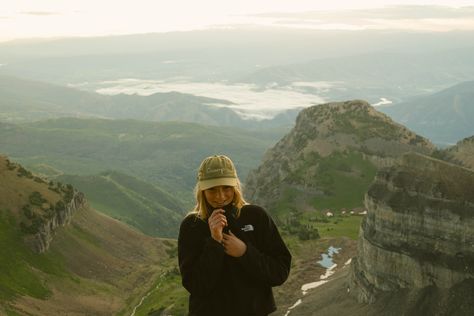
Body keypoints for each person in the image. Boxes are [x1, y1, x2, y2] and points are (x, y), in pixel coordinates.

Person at [178, 154, 291, 316]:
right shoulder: (192, 225)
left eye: (226, 188)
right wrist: (215, 242)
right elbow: (196, 286)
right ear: (202, 190)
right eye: (212, 190)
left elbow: (279, 272)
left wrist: (245, 252)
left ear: (235, 186)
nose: (220, 197)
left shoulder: (256, 216)